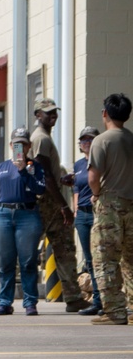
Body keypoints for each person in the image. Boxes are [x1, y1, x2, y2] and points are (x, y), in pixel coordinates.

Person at [0, 129, 46, 316]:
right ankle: (4, 301)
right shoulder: (1, 167)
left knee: (28, 261)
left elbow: (40, 189)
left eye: (24, 144)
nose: (20, 147)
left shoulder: (34, 166)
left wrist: (24, 172)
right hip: (3, 214)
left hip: (26, 214)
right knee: (6, 261)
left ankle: (30, 302)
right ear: (11, 146)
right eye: (16, 144)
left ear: (29, 146)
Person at [29, 98, 83, 311]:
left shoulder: (44, 138)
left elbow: (50, 175)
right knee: (59, 249)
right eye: (47, 112)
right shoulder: (41, 139)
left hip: (49, 201)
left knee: (63, 249)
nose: (53, 115)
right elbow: (45, 176)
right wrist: (63, 206)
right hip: (48, 204)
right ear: (37, 115)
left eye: (54, 112)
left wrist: (62, 179)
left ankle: (73, 296)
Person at [88, 92, 133, 326]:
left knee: (105, 259)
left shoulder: (101, 141)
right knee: (131, 260)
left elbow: (93, 177)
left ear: (105, 113)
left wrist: (96, 195)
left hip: (110, 206)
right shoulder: (131, 138)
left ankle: (115, 310)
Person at [73, 125, 103, 315]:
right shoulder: (78, 165)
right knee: (90, 260)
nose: (87, 143)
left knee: (102, 257)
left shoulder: (101, 161)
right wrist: (75, 209)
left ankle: (107, 300)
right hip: (82, 214)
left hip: (97, 212)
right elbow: (76, 188)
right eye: (84, 140)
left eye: (90, 140)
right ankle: (97, 301)